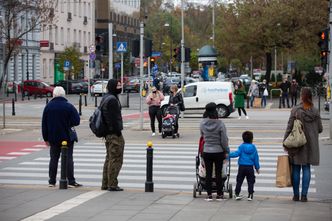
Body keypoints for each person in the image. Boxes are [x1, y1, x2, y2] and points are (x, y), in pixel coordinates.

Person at [283, 87, 322, 202]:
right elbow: (320, 128)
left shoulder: (296, 110)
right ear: (310, 96)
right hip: (310, 144)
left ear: (301, 96)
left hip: (297, 144)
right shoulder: (315, 111)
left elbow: (289, 126)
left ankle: (296, 195)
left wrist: (285, 141)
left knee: (295, 168)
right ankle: (304, 196)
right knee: (306, 168)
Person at [42, 86, 82, 188]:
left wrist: (45, 138)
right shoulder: (69, 106)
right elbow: (77, 121)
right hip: (67, 137)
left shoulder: (48, 107)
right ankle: (71, 181)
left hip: (53, 137)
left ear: (53, 95)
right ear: (64, 95)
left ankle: (52, 181)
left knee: (54, 159)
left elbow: (44, 124)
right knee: (68, 158)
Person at [200, 102, 229, 201]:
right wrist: (225, 150)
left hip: (207, 151)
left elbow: (202, 136)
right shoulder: (220, 124)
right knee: (218, 173)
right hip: (218, 152)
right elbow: (224, 140)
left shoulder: (202, 123)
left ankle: (209, 195)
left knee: (208, 173)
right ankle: (220, 194)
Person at [101, 79, 125, 191]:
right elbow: (113, 119)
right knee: (116, 159)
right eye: (118, 85)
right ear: (113, 87)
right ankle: (112, 184)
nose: (120, 87)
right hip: (114, 134)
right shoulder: (112, 100)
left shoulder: (106, 97)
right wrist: (117, 131)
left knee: (109, 158)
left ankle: (105, 183)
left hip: (108, 134)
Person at [229, 131, 260, 201]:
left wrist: (228, 155)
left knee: (239, 180)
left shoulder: (241, 146)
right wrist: (257, 168)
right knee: (251, 181)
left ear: (243, 139)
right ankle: (250, 195)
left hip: (242, 167)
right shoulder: (253, 147)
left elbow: (236, 153)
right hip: (250, 167)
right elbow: (256, 158)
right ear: (252, 139)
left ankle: (237, 194)